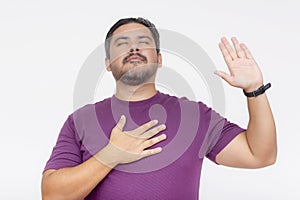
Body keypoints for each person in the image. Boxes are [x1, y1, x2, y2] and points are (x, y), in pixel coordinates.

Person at [41, 17, 277, 200]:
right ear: (107, 64)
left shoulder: (193, 116)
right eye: (122, 44)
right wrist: (110, 155)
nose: (134, 49)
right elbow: (52, 194)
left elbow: (260, 155)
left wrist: (255, 89)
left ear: (159, 59)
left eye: (143, 43)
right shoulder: (81, 120)